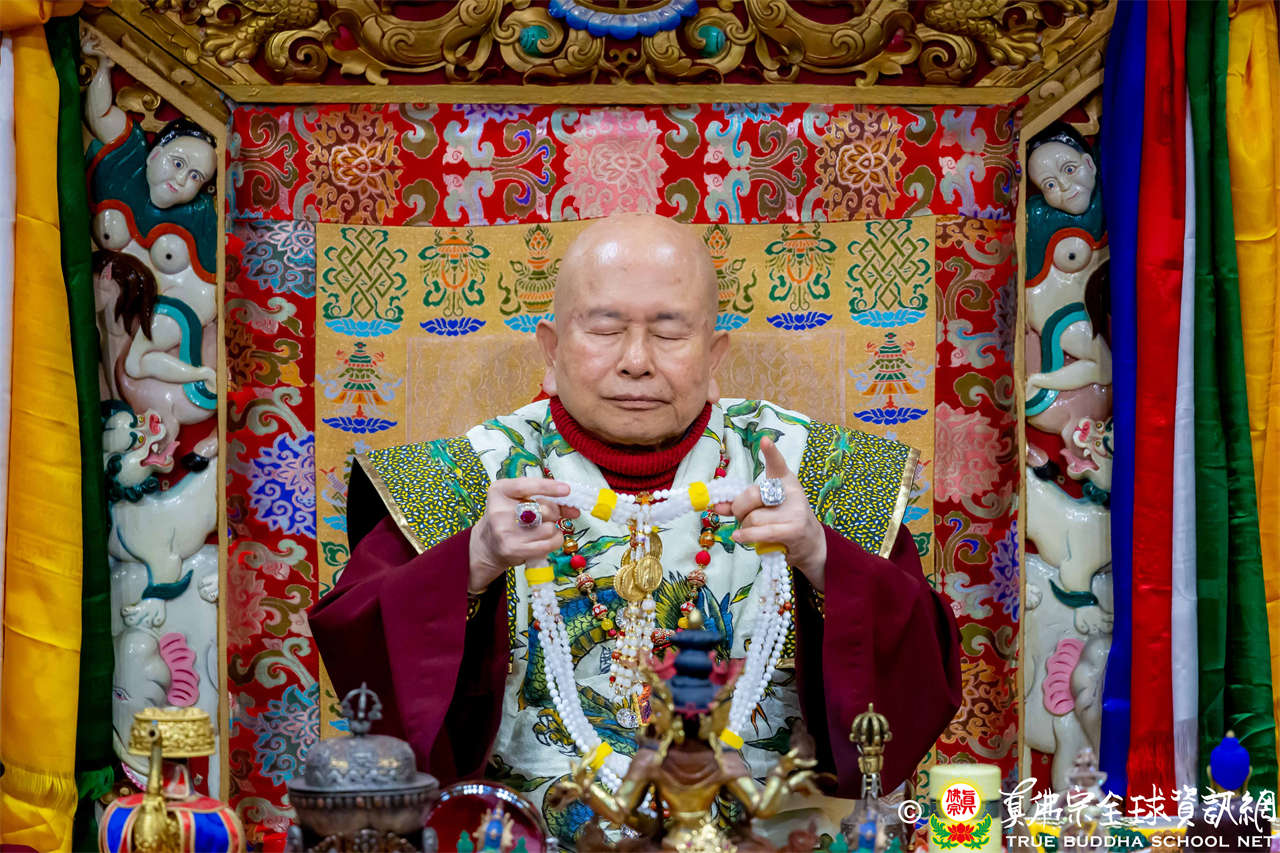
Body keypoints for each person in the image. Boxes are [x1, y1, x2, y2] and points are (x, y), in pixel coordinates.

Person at [309, 214, 961, 846]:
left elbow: (920, 682)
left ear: (715, 354)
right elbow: (359, 646)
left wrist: (822, 557)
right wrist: (473, 560)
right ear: (551, 349)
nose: (637, 361)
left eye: (670, 333)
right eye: (605, 329)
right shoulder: (469, 477)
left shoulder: (809, 469)